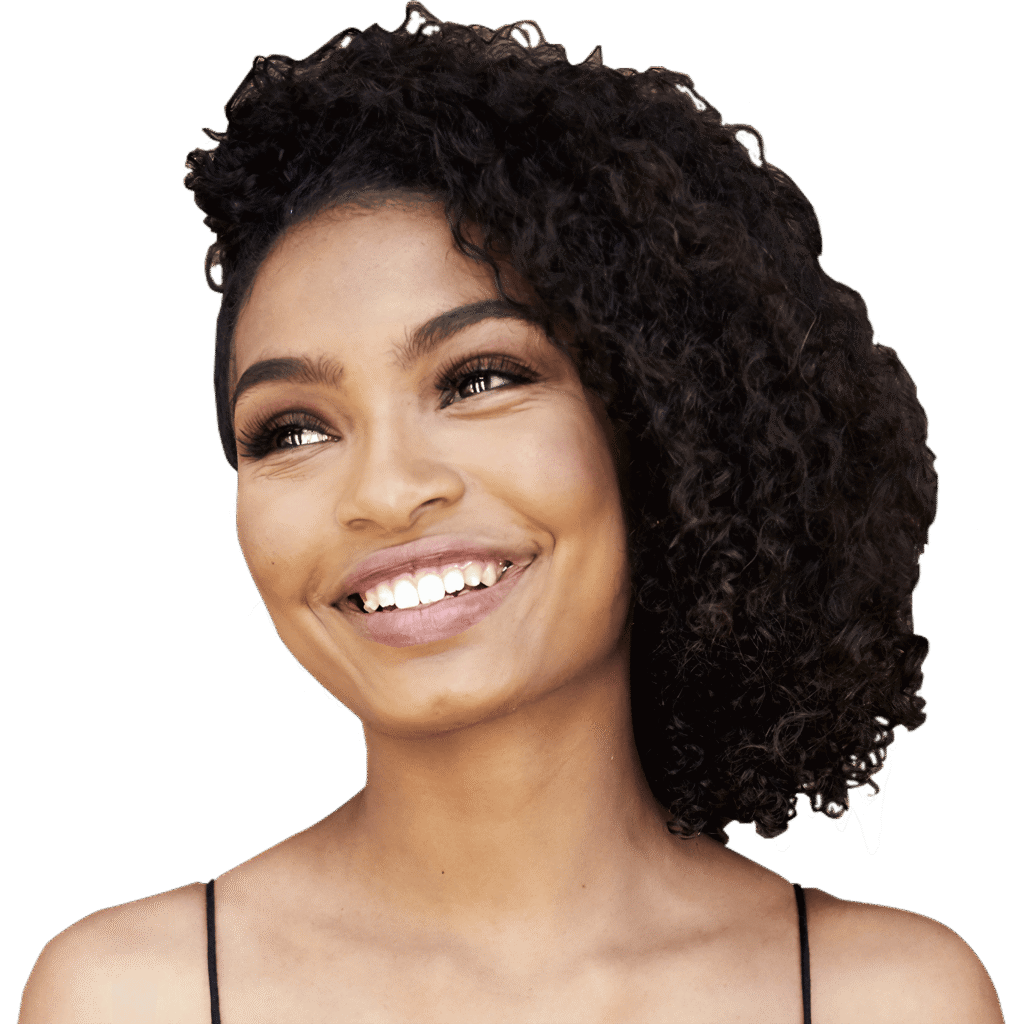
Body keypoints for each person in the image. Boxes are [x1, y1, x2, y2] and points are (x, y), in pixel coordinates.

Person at [20, 3, 1003, 1021]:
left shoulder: (883, 998)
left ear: (663, 429)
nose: (387, 492)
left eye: (478, 377)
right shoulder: (136, 994)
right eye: (292, 431)